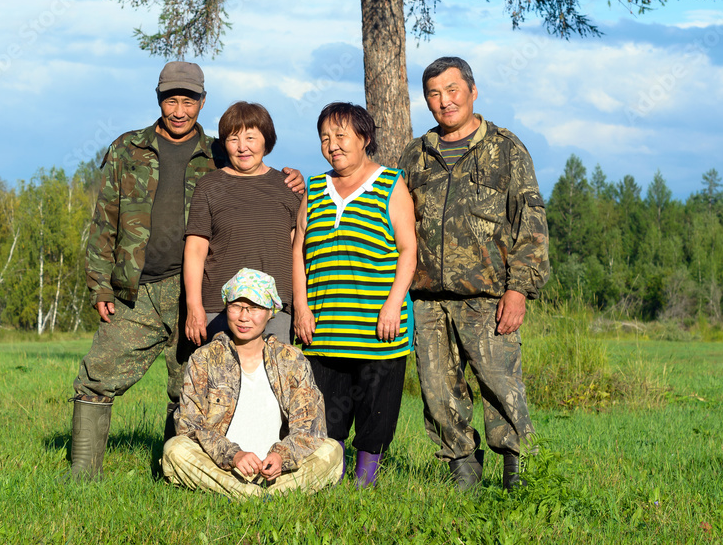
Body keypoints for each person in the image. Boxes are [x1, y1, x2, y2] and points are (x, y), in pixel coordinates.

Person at [69, 62, 302, 481]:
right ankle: (82, 477)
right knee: (97, 375)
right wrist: (100, 283)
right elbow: (104, 221)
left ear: (202, 102)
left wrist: (293, 177)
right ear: (159, 100)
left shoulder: (217, 151)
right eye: (171, 100)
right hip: (136, 289)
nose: (179, 110)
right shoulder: (127, 149)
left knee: (191, 390)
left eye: (188, 101)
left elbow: (255, 174)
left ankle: (173, 474)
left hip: (204, 289)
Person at [397, 56, 550, 491]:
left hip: (488, 297)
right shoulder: (415, 154)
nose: (443, 101)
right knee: (437, 393)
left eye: (451, 90)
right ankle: (462, 472)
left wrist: (519, 289)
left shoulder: (506, 148)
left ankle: (516, 473)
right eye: (433, 94)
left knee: (502, 388)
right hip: (426, 300)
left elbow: (531, 223)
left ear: (472, 90)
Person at [292, 102, 417, 488]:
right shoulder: (313, 188)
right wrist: (301, 307)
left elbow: (409, 250)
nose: (333, 145)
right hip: (324, 326)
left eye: (341, 135)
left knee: (376, 410)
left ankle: (365, 485)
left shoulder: (390, 184)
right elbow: (297, 249)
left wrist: (393, 303)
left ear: (364, 138)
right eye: (325, 138)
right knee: (326, 413)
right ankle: (332, 478)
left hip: (378, 324)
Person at [162, 268, 342, 498]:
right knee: (174, 449)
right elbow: (190, 427)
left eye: (255, 307)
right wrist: (233, 455)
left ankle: (261, 493)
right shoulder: (204, 359)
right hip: (224, 467)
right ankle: (255, 495)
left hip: (278, 471)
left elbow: (309, 427)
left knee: (332, 450)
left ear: (271, 312)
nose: (244, 316)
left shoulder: (292, 360)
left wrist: (281, 456)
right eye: (236, 306)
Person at [183, 101, 302, 347]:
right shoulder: (208, 187)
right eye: (233, 139)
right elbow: (195, 251)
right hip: (221, 310)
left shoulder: (288, 187)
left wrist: (301, 307)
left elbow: (298, 253)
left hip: (276, 310)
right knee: (220, 383)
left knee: (273, 382)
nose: (242, 147)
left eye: (250, 137)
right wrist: (194, 306)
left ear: (266, 141)